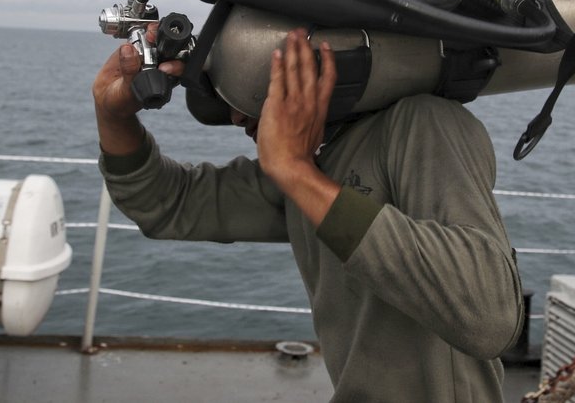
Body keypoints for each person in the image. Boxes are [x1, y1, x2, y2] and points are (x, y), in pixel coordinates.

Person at [93, 25, 524, 402]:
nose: (239, 115)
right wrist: (112, 115)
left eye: (257, 90)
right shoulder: (321, 162)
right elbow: (169, 203)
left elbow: (489, 316)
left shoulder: (424, 123)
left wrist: (296, 171)